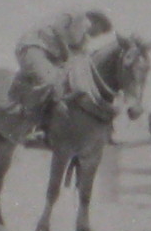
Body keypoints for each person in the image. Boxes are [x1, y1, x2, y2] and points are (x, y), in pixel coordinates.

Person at [9, 9, 113, 140]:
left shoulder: (83, 40)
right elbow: (58, 30)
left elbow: (82, 60)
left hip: (52, 56)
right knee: (50, 81)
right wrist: (67, 54)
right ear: (96, 23)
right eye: (101, 31)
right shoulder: (76, 15)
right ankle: (30, 126)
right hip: (34, 46)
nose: (98, 35)